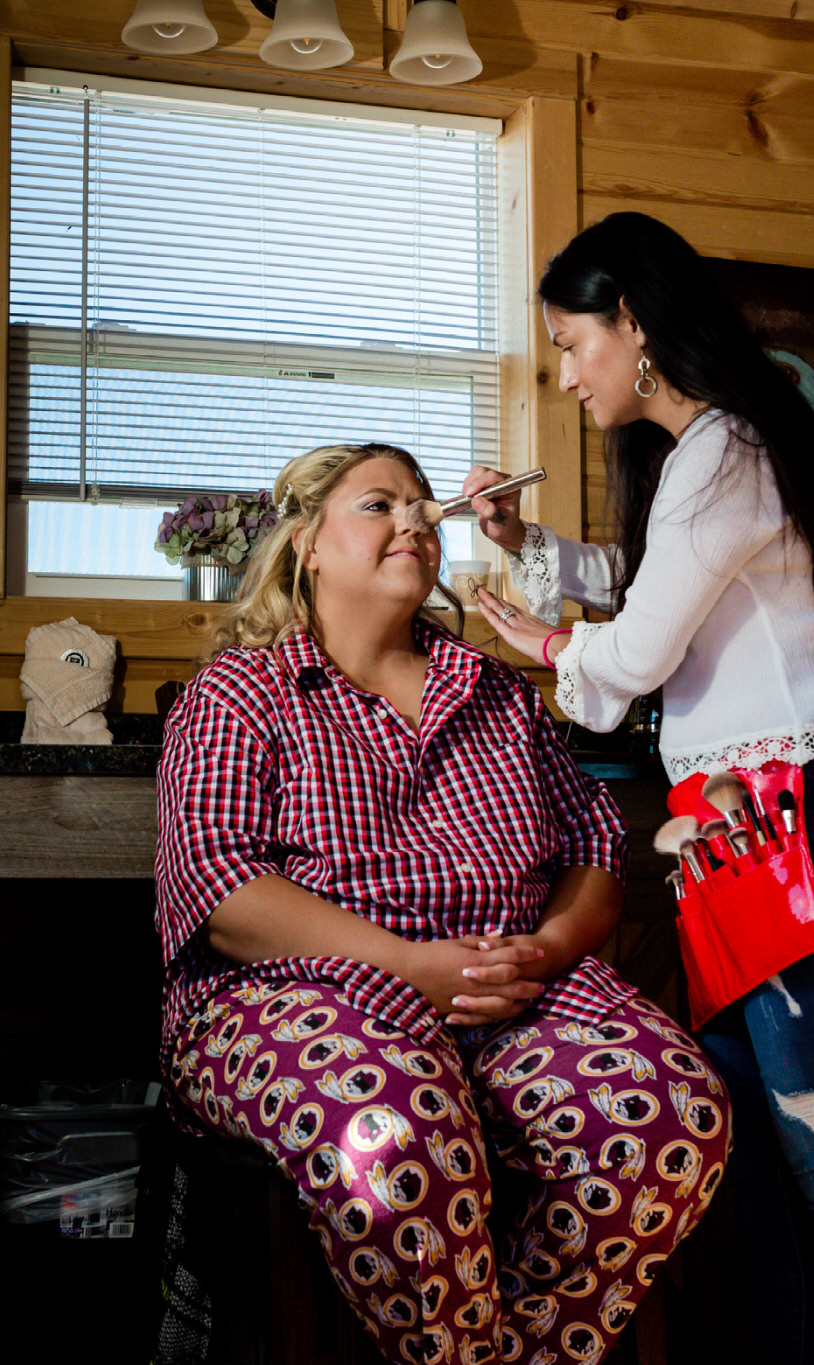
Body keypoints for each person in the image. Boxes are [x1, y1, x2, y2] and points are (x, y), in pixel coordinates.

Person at [154, 442, 732, 1365]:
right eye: (379, 504)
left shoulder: (498, 694)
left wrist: (548, 948)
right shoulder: (242, 690)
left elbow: (593, 845)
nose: (415, 520)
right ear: (306, 545)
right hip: (303, 993)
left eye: (423, 506)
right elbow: (223, 886)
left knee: (670, 1113)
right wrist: (412, 964)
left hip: (513, 985)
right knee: (398, 1140)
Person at [468, 213, 814, 1364]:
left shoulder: (719, 451)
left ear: (633, 323)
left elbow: (624, 666)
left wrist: (547, 646)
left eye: (574, 344)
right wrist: (528, 547)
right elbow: (646, 580)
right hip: (774, 828)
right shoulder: (728, 450)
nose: (568, 376)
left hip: (798, 824)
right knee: (773, 1156)